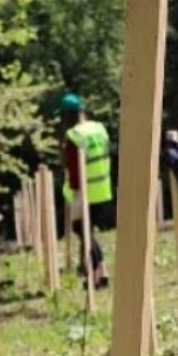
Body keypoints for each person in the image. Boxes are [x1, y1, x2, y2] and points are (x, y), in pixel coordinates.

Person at [59, 92, 110, 288]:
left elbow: (74, 168)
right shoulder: (99, 129)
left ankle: (100, 272)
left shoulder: (74, 136)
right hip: (102, 187)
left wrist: (73, 194)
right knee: (87, 231)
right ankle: (96, 273)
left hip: (84, 190)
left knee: (81, 229)